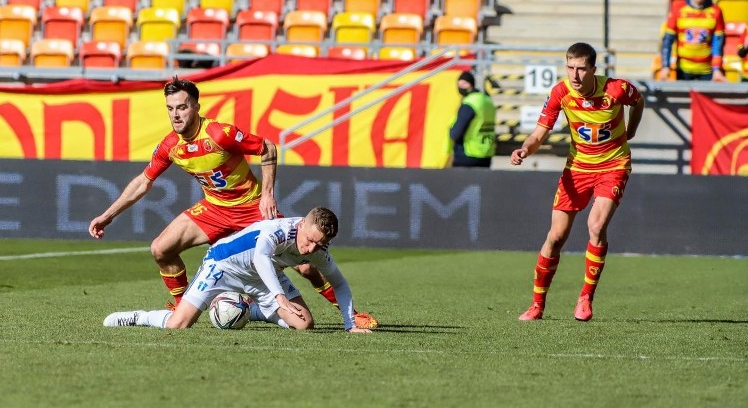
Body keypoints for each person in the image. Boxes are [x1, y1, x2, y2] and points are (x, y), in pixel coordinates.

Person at [89, 77, 378, 328]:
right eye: (170, 109)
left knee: (304, 265)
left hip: (252, 206)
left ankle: (349, 313)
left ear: (196, 107)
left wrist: (267, 194)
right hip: (214, 208)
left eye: (182, 107)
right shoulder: (170, 146)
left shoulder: (219, 133)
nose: (176, 115)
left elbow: (268, 148)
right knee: (160, 249)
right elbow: (144, 181)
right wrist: (108, 215)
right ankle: (183, 306)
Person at [512, 42, 645, 322]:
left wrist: (630, 129)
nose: (575, 75)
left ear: (593, 70)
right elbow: (538, 134)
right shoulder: (561, 92)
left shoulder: (616, 89)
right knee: (556, 236)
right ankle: (537, 305)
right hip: (577, 169)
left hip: (613, 165)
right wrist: (524, 149)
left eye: (581, 69)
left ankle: (585, 298)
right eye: (570, 67)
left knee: (596, 226)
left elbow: (639, 101)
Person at [103, 207, 373, 333]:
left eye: (319, 244)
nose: (310, 248)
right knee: (179, 324)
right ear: (301, 224)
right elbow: (261, 257)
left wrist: (349, 325)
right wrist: (279, 297)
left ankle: (252, 311)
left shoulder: (319, 251)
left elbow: (340, 283)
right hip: (222, 265)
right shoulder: (276, 231)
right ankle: (138, 317)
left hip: (261, 276)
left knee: (304, 324)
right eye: (310, 239)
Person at [659, 0, 727, 82]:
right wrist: (665, 66)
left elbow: (718, 43)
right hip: (683, 70)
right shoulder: (678, 10)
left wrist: (717, 69)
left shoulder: (716, 11)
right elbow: (667, 40)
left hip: (706, 71)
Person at [448, 71, 496, 168]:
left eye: (464, 83)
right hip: (487, 151)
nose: (461, 87)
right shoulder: (487, 100)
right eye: (459, 84)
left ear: (471, 84)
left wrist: (451, 132)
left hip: (468, 154)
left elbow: (456, 133)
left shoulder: (470, 103)